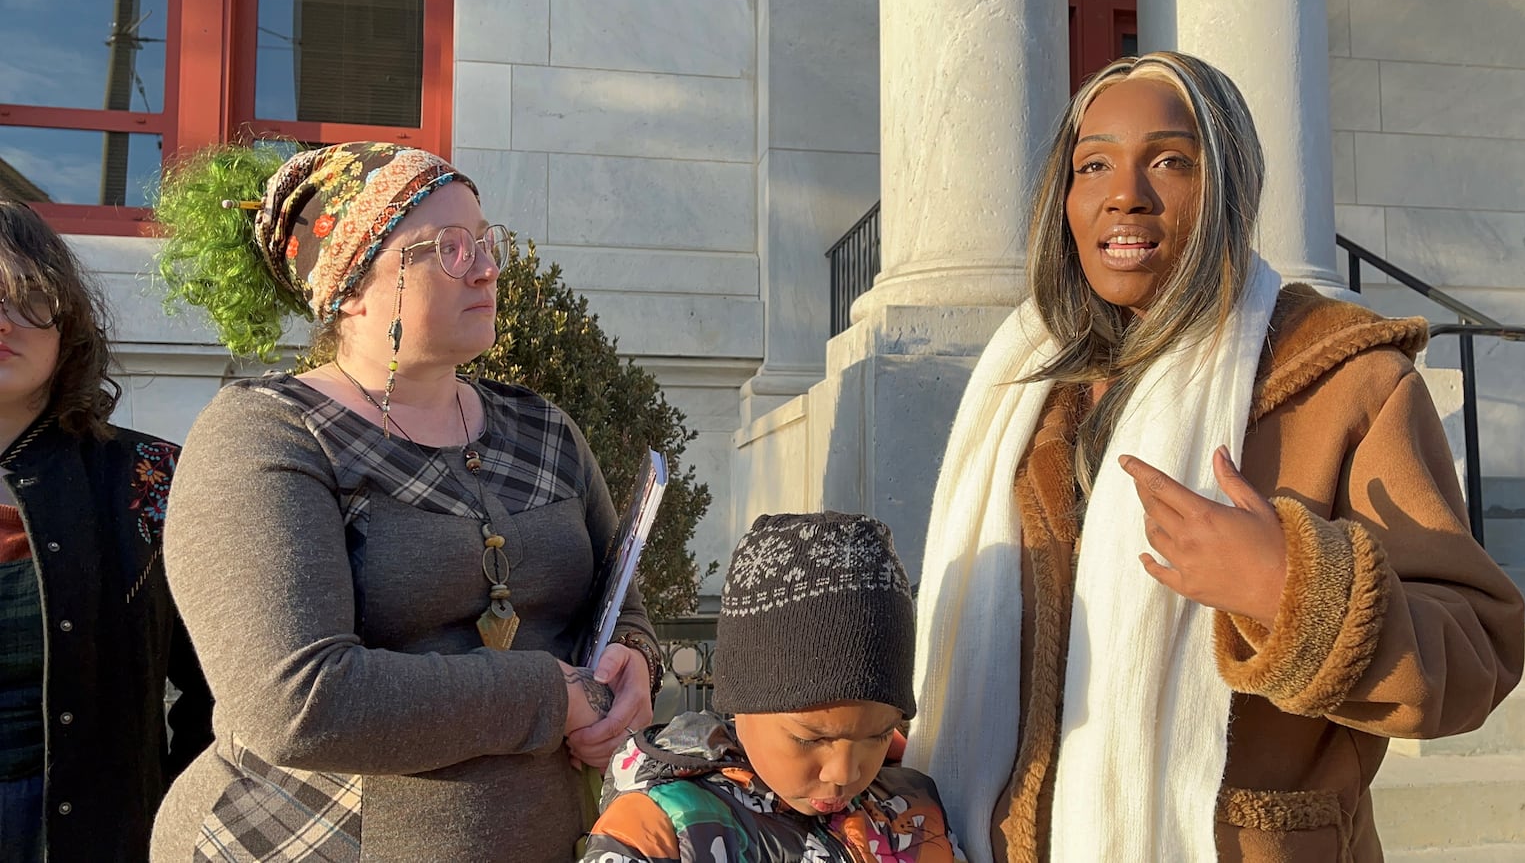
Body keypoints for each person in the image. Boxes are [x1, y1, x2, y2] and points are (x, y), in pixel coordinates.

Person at [905, 52, 1525, 863]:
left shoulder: (1346, 381)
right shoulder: (1022, 387)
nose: (1125, 193)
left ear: (1227, 184)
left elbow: (1475, 657)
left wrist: (1293, 591)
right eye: (1093, 165)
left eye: (1169, 160)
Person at [147, 142, 663, 862]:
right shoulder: (266, 434)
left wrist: (634, 664)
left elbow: (621, 606)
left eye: (487, 243)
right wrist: (547, 696)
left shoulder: (544, 429)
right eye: (448, 249)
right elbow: (297, 703)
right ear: (350, 286)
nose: (486, 268)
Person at [0, 198, 212, 861]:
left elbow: (216, 691)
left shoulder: (149, 477)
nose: (3, 317)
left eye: (26, 294)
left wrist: (177, 820)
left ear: (68, 321)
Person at [583, 512, 963, 861]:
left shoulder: (914, 810)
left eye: (877, 736)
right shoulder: (659, 830)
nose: (844, 772)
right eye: (810, 739)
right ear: (741, 702)